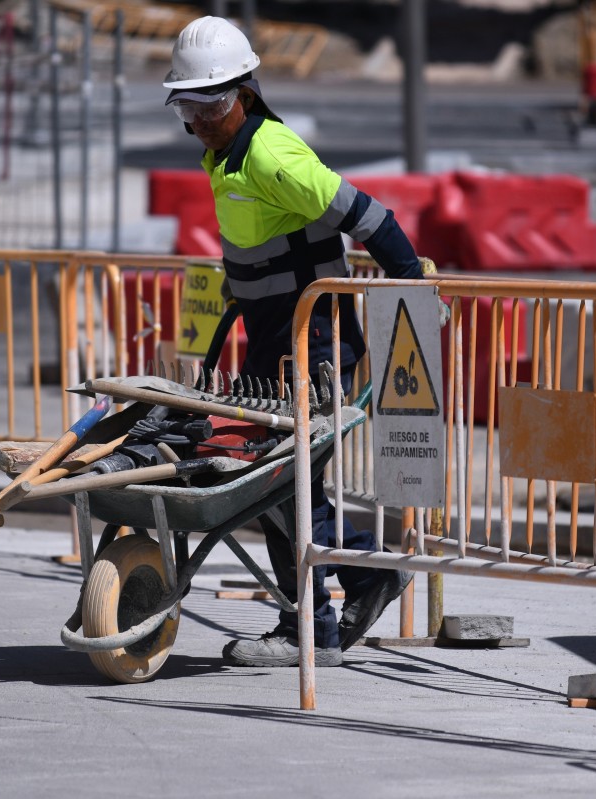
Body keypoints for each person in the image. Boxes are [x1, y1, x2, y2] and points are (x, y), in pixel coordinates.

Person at [163, 16, 419, 667]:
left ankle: (315, 623)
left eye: (209, 105)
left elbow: (374, 222)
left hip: (312, 341)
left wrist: (412, 295)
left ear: (245, 94)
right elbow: (265, 243)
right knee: (283, 483)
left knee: (280, 483)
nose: (198, 119)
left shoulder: (274, 155)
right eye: (187, 107)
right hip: (271, 337)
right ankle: (357, 585)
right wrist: (240, 290)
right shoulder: (228, 152)